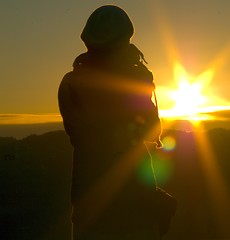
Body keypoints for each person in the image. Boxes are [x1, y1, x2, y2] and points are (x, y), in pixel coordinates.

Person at [58, 5, 176, 239]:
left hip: (88, 204)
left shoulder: (70, 83)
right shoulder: (131, 83)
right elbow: (152, 131)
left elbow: (81, 133)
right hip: (134, 207)